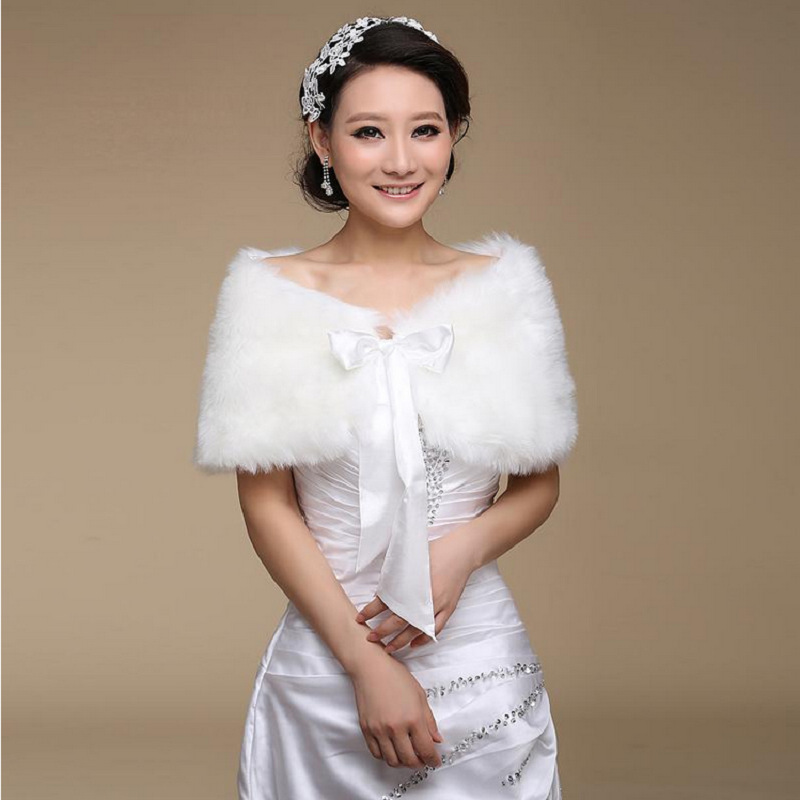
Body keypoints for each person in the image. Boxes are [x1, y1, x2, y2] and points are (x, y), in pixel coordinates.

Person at [194, 15, 578, 800]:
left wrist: (458, 554)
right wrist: (365, 663)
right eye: (369, 131)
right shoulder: (267, 295)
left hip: (480, 665)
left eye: (424, 130)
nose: (401, 160)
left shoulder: (506, 287)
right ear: (323, 140)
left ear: (453, 135)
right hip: (329, 666)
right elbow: (266, 505)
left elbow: (539, 485)